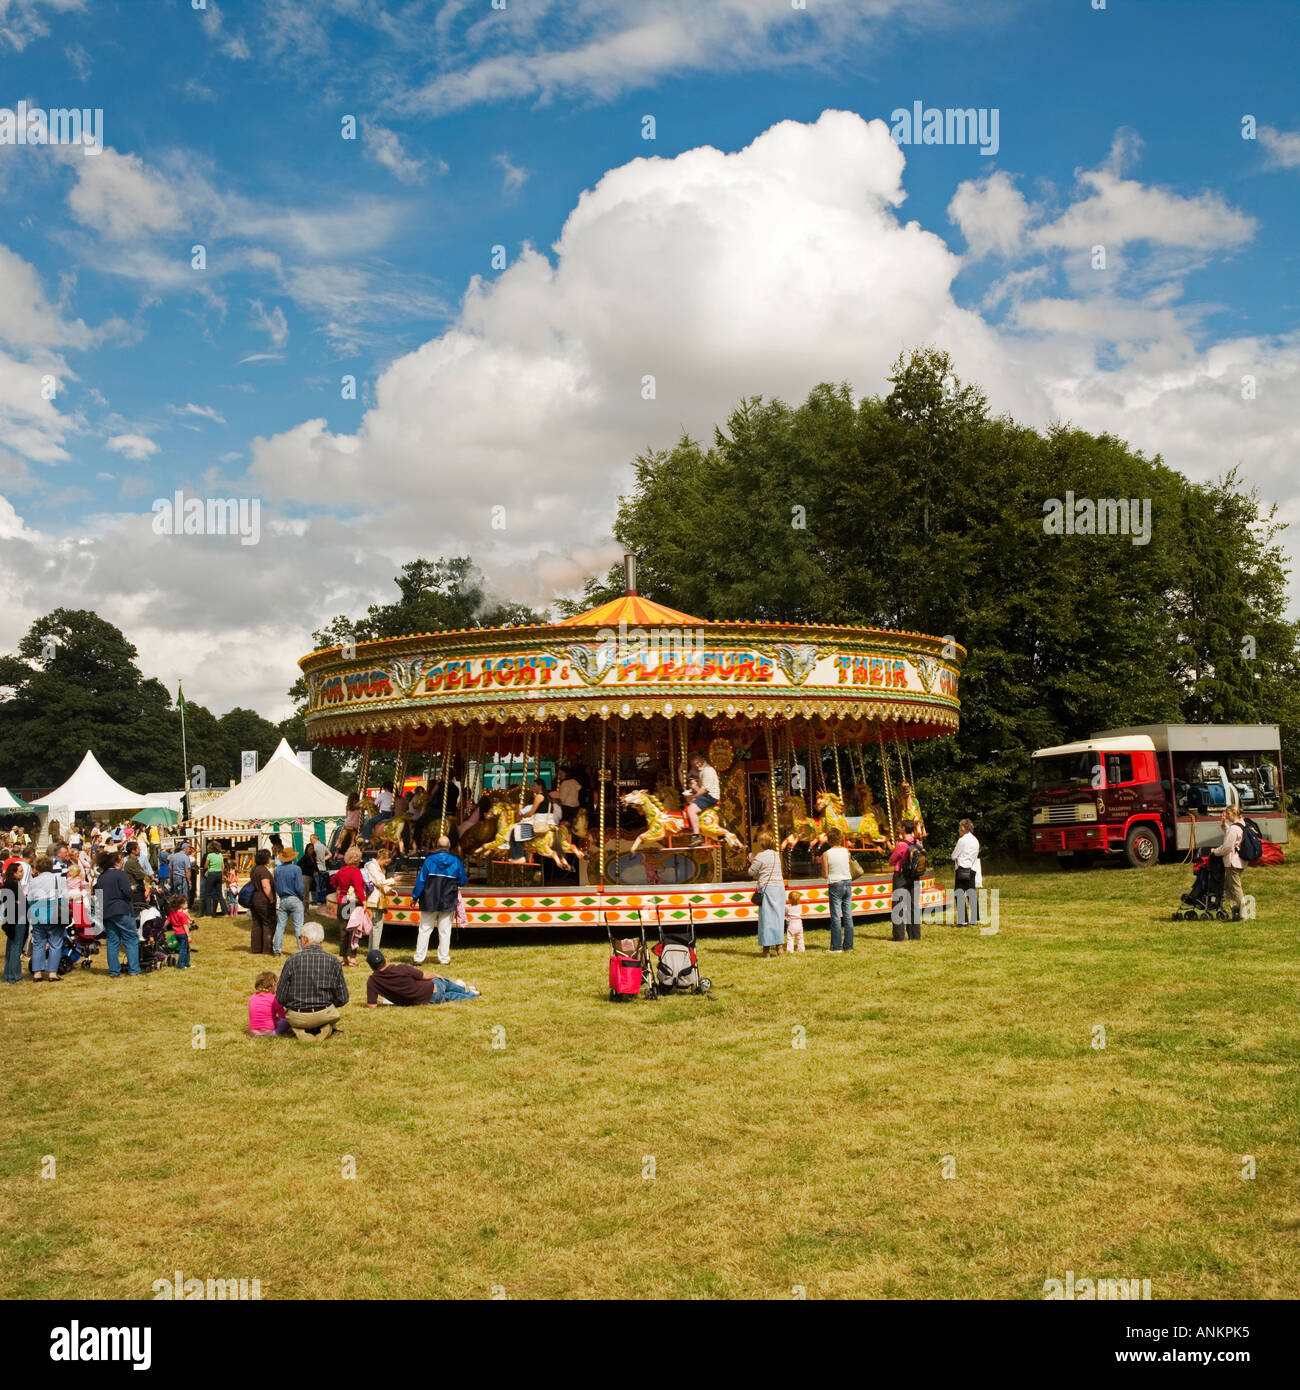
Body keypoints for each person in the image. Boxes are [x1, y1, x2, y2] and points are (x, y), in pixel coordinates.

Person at [274, 921, 348, 1040]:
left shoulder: (292, 960)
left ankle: (301, 1030)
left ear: (305, 939)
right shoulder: (333, 961)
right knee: (326, 1018)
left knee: (298, 1021)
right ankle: (324, 1027)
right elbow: (343, 998)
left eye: (300, 938)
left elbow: (281, 997)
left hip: (298, 1016)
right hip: (324, 1013)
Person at [411, 835, 466, 967]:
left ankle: (419, 957)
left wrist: (415, 896)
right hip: (448, 900)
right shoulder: (455, 861)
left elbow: (421, 880)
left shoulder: (429, 861)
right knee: (445, 930)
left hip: (429, 899)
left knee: (424, 929)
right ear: (449, 847)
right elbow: (462, 880)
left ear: (437, 846)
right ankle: (444, 958)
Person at [364, 949, 480, 1007]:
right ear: (385, 959)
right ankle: (464, 989)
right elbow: (423, 976)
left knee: (449, 996)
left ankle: (472, 995)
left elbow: (372, 1005)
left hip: (426, 1000)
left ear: (371, 966)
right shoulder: (402, 968)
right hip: (431, 989)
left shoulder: (372, 982)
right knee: (444, 982)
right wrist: (436, 975)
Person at [97, 848, 141, 978]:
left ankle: (114, 971)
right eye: (121, 861)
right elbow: (127, 893)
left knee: (112, 941)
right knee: (131, 939)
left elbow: (98, 896)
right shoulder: (120, 874)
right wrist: (132, 889)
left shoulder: (101, 877)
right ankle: (134, 969)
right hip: (121, 910)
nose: (123, 863)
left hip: (106, 912)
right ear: (116, 862)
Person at [26, 854, 69, 981]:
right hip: (53, 912)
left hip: (37, 912)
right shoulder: (59, 879)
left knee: (38, 943)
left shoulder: (33, 881)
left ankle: (37, 973)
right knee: (55, 943)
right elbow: (65, 897)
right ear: (51, 866)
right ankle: (52, 973)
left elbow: (29, 898)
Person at [748, 830, 786, 958]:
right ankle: (779, 946)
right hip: (779, 888)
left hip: (767, 888)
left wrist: (751, 860)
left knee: (766, 918)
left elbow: (751, 872)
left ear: (762, 843)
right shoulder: (776, 855)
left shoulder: (760, 856)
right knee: (778, 917)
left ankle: (766, 949)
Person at [820, 827, 855, 952]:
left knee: (835, 916)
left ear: (829, 840)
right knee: (848, 915)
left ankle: (836, 946)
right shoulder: (846, 851)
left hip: (835, 884)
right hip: (847, 882)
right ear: (840, 839)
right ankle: (849, 945)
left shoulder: (826, 854)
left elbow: (825, 874)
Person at [889, 819, 924, 942]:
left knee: (898, 905)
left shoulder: (901, 845)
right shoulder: (917, 842)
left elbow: (892, 860)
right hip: (914, 876)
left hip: (901, 875)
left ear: (904, 829)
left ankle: (899, 936)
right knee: (913, 905)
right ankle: (915, 935)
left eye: (900, 827)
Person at [360, 844, 396, 956]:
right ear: (382, 858)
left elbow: (381, 884)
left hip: (377, 898)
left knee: (376, 926)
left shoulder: (379, 868)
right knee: (376, 926)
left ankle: (373, 950)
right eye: (386, 862)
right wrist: (393, 880)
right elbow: (379, 882)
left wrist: (389, 890)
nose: (387, 864)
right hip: (373, 899)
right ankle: (374, 951)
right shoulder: (372, 866)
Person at [1211, 804, 1245, 920]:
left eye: (1229, 813)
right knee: (1229, 886)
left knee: (1235, 887)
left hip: (1232, 861)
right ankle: (1236, 911)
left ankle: (1242, 913)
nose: (1227, 815)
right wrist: (1223, 823)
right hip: (1239, 861)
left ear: (1234, 814)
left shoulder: (1235, 828)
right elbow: (1229, 834)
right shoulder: (1240, 825)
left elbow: (1227, 847)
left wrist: (1215, 852)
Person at [272, 844, 306, 956]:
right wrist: (301, 898)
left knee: (280, 926)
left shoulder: (277, 870)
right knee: (298, 927)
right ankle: (301, 950)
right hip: (295, 898)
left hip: (283, 899)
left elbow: (276, 886)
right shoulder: (296, 869)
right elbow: (300, 887)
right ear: (292, 858)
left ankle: (277, 950)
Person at [684, 752, 721, 842]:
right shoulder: (701, 771)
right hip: (706, 795)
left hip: (710, 796)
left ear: (702, 760)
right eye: (694, 764)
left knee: (691, 809)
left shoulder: (708, 770)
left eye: (697, 763)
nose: (696, 765)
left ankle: (696, 835)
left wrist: (693, 796)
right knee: (688, 806)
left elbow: (705, 789)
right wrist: (694, 786)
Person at [951, 818, 980, 926]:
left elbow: (954, 856)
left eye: (959, 828)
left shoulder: (962, 840)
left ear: (963, 828)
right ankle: (974, 919)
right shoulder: (975, 840)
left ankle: (963, 920)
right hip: (972, 869)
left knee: (959, 893)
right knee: (971, 893)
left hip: (962, 869)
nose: (958, 831)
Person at [2, 857, 26, 983]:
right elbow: (12, 902)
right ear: (14, 873)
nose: (22, 873)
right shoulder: (12, 885)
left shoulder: (11, 884)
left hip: (12, 919)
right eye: (20, 871)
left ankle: (8, 974)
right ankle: (14, 975)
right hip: (17, 919)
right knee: (16, 948)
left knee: (11, 948)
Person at [248, 848, 276, 955]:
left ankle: (256, 948)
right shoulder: (263, 871)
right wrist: (271, 898)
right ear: (266, 859)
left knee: (256, 923)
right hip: (263, 899)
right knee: (267, 923)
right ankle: (266, 949)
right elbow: (265, 886)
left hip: (254, 898)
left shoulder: (254, 869)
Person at [248, 969, 291, 1036]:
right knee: (287, 1020)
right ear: (273, 985)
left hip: (253, 1032)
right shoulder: (274, 998)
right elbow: (283, 1015)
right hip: (268, 1031)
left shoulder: (252, 997)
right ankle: (274, 1033)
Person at [167, 894, 193, 969]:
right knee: (183, 950)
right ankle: (180, 965)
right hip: (183, 934)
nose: (187, 904)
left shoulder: (173, 913)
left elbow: (168, 920)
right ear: (181, 905)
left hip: (177, 934)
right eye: (186, 903)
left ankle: (187, 963)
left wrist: (163, 927)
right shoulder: (182, 915)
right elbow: (185, 926)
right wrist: (188, 936)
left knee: (187, 948)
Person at [200, 842, 225, 918]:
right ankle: (223, 912)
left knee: (207, 894)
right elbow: (223, 867)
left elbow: (205, 866)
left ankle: (207, 913)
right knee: (218, 894)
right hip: (219, 874)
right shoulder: (220, 855)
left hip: (210, 875)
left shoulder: (209, 855)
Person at [169, 842, 194, 908]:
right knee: (183, 895)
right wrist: (189, 881)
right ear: (185, 849)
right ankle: (183, 909)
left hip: (175, 877)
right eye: (189, 849)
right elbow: (187, 870)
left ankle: (176, 908)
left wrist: (171, 878)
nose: (190, 851)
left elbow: (170, 868)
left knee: (176, 894)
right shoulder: (185, 857)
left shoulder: (174, 856)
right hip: (183, 877)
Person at [784, 889, 806, 954]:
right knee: (800, 937)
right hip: (799, 924)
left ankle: (790, 950)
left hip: (791, 924)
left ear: (789, 900)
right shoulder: (800, 907)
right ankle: (801, 949)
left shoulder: (787, 907)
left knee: (790, 938)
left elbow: (785, 913)